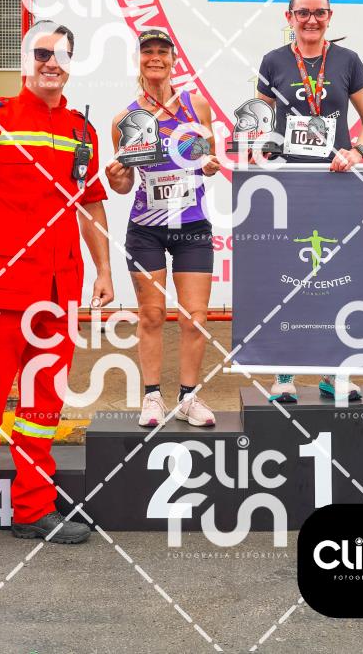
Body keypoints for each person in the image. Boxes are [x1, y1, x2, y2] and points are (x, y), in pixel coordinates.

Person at [0, 20, 113, 560]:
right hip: (1, 294)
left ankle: (34, 509)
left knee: (43, 409)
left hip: (58, 294)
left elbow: (91, 204)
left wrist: (104, 270)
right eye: (41, 53)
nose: (51, 63)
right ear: (25, 60)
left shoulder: (81, 130)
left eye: (61, 54)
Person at [256, 0, 363, 404]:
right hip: (288, 188)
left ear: (330, 17)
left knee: (336, 279)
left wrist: (357, 151)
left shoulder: (348, 60)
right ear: (289, 17)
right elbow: (259, 120)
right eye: (303, 13)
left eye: (319, 13)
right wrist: (259, 149)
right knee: (286, 278)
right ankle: (284, 373)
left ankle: (335, 372)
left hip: (335, 185)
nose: (311, 20)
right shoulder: (273, 61)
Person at [106, 29, 221, 429]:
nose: (155, 57)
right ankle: (152, 396)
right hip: (146, 229)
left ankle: (188, 397)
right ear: (138, 59)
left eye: (162, 52)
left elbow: (209, 161)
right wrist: (116, 176)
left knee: (195, 318)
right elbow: (123, 185)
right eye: (147, 52)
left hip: (192, 226)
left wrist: (210, 165)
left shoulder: (196, 105)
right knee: (152, 315)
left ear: (174, 60)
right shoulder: (124, 120)